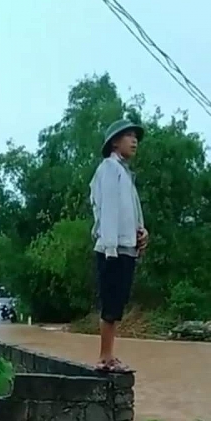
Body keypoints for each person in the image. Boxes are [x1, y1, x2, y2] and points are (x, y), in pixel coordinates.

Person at [90, 119, 149, 372]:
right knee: (111, 303)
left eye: (136, 137)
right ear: (115, 142)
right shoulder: (109, 168)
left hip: (125, 248)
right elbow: (109, 211)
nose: (134, 141)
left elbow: (131, 212)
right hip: (112, 249)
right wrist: (112, 249)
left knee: (118, 303)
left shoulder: (125, 173)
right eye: (129, 136)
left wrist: (142, 232)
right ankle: (105, 357)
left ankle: (109, 355)